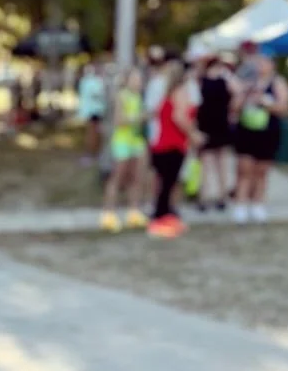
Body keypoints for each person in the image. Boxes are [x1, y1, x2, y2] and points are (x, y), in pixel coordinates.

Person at [231, 52, 288, 223]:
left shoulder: (277, 83)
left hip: (268, 131)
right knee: (244, 169)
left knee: (261, 170)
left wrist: (266, 103)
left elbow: (284, 107)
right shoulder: (247, 82)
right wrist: (246, 95)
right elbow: (234, 107)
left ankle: (258, 203)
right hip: (247, 131)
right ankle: (241, 204)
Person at [148, 58, 201, 238]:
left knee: (165, 182)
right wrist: (194, 134)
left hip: (161, 143)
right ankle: (161, 217)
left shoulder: (167, 93)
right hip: (174, 144)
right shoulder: (180, 92)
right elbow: (180, 118)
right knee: (169, 183)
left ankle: (164, 215)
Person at [99, 66, 148, 231]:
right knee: (117, 177)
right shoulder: (122, 96)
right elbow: (120, 120)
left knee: (136, 177)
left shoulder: (138, 97)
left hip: (136, 141)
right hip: (123, 142)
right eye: (135, 79)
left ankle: (133, 211)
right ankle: (108, 214)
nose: (138, 82)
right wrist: (139, 118)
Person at [196, 54, 237, 211]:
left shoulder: (212, 81)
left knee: (213, 163)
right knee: (215, 163)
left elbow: (237, 92)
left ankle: (214, 196)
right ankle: (212, 196)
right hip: (212, 124)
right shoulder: (205, 81)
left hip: (216, 124)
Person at [77, 60, 107, 162]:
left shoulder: (87, 81)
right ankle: (91, 154)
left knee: (94, 133)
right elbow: (96, 94)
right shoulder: (93, 81)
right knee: (92, 133)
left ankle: (93, 154)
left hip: (93, 111)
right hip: (94, 111)